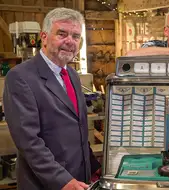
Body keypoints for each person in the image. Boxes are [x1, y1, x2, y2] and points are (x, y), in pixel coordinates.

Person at [3, 7, 101, 190]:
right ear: (44, 37)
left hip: (79, 180)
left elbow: (78, 129)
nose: (70, 41)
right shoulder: (21, 77)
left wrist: (94, 168)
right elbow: (29, 142)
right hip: (47, 183)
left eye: (76, 36)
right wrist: (62, 180)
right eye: (62, 34)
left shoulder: (71, 74)